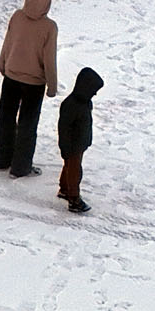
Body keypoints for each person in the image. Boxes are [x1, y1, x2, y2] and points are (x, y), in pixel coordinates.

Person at [0, 0, 59, 177]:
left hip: (11, 76)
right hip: (34, 83)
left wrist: (3, 65)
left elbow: (8, 43)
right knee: (27, 125)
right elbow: (49, 58)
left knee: (5, 119)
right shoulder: (49, 27)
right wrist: (52, 85)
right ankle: (20, 168)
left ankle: (3, 160)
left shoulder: (17, 17)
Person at [56, 66, 102, 213]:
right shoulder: (71, 105)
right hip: (72, 145)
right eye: (93, 90)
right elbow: (64, 128)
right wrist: (65, 147)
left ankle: (65, 189)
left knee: (69, 168)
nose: (95, 93)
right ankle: (74, 198)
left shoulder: (85, 102)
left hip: (79, 143)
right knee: (75, 172)